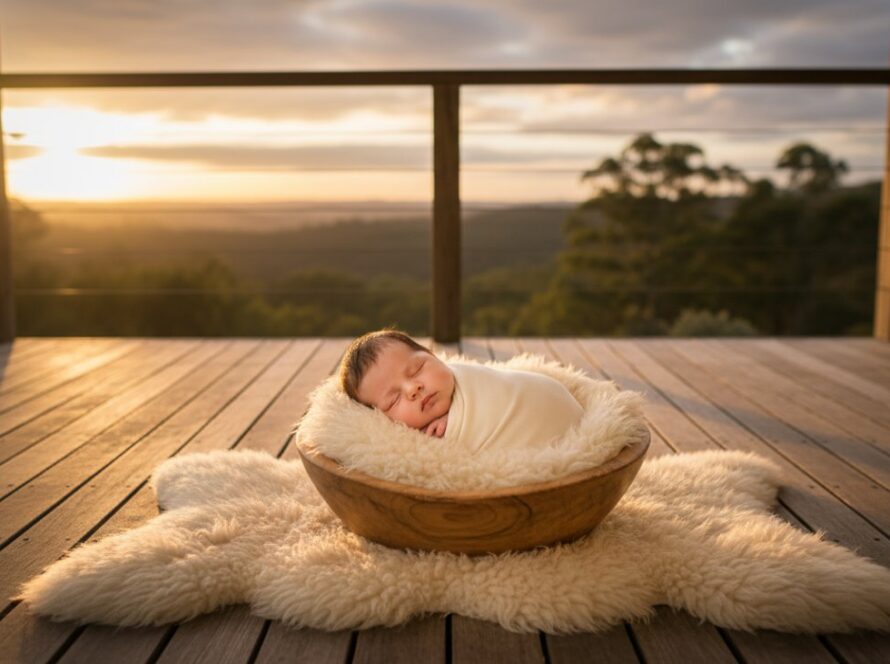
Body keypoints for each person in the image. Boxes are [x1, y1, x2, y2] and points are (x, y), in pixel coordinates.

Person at [339, 329, 584, 453]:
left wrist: (453, 415)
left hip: (548, 400)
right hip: (545, 440)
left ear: (434, 356)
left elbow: (493, 392)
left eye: (417, 369)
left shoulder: (468, 378)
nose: (413, 388)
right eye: (393, 400)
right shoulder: (416, 443)